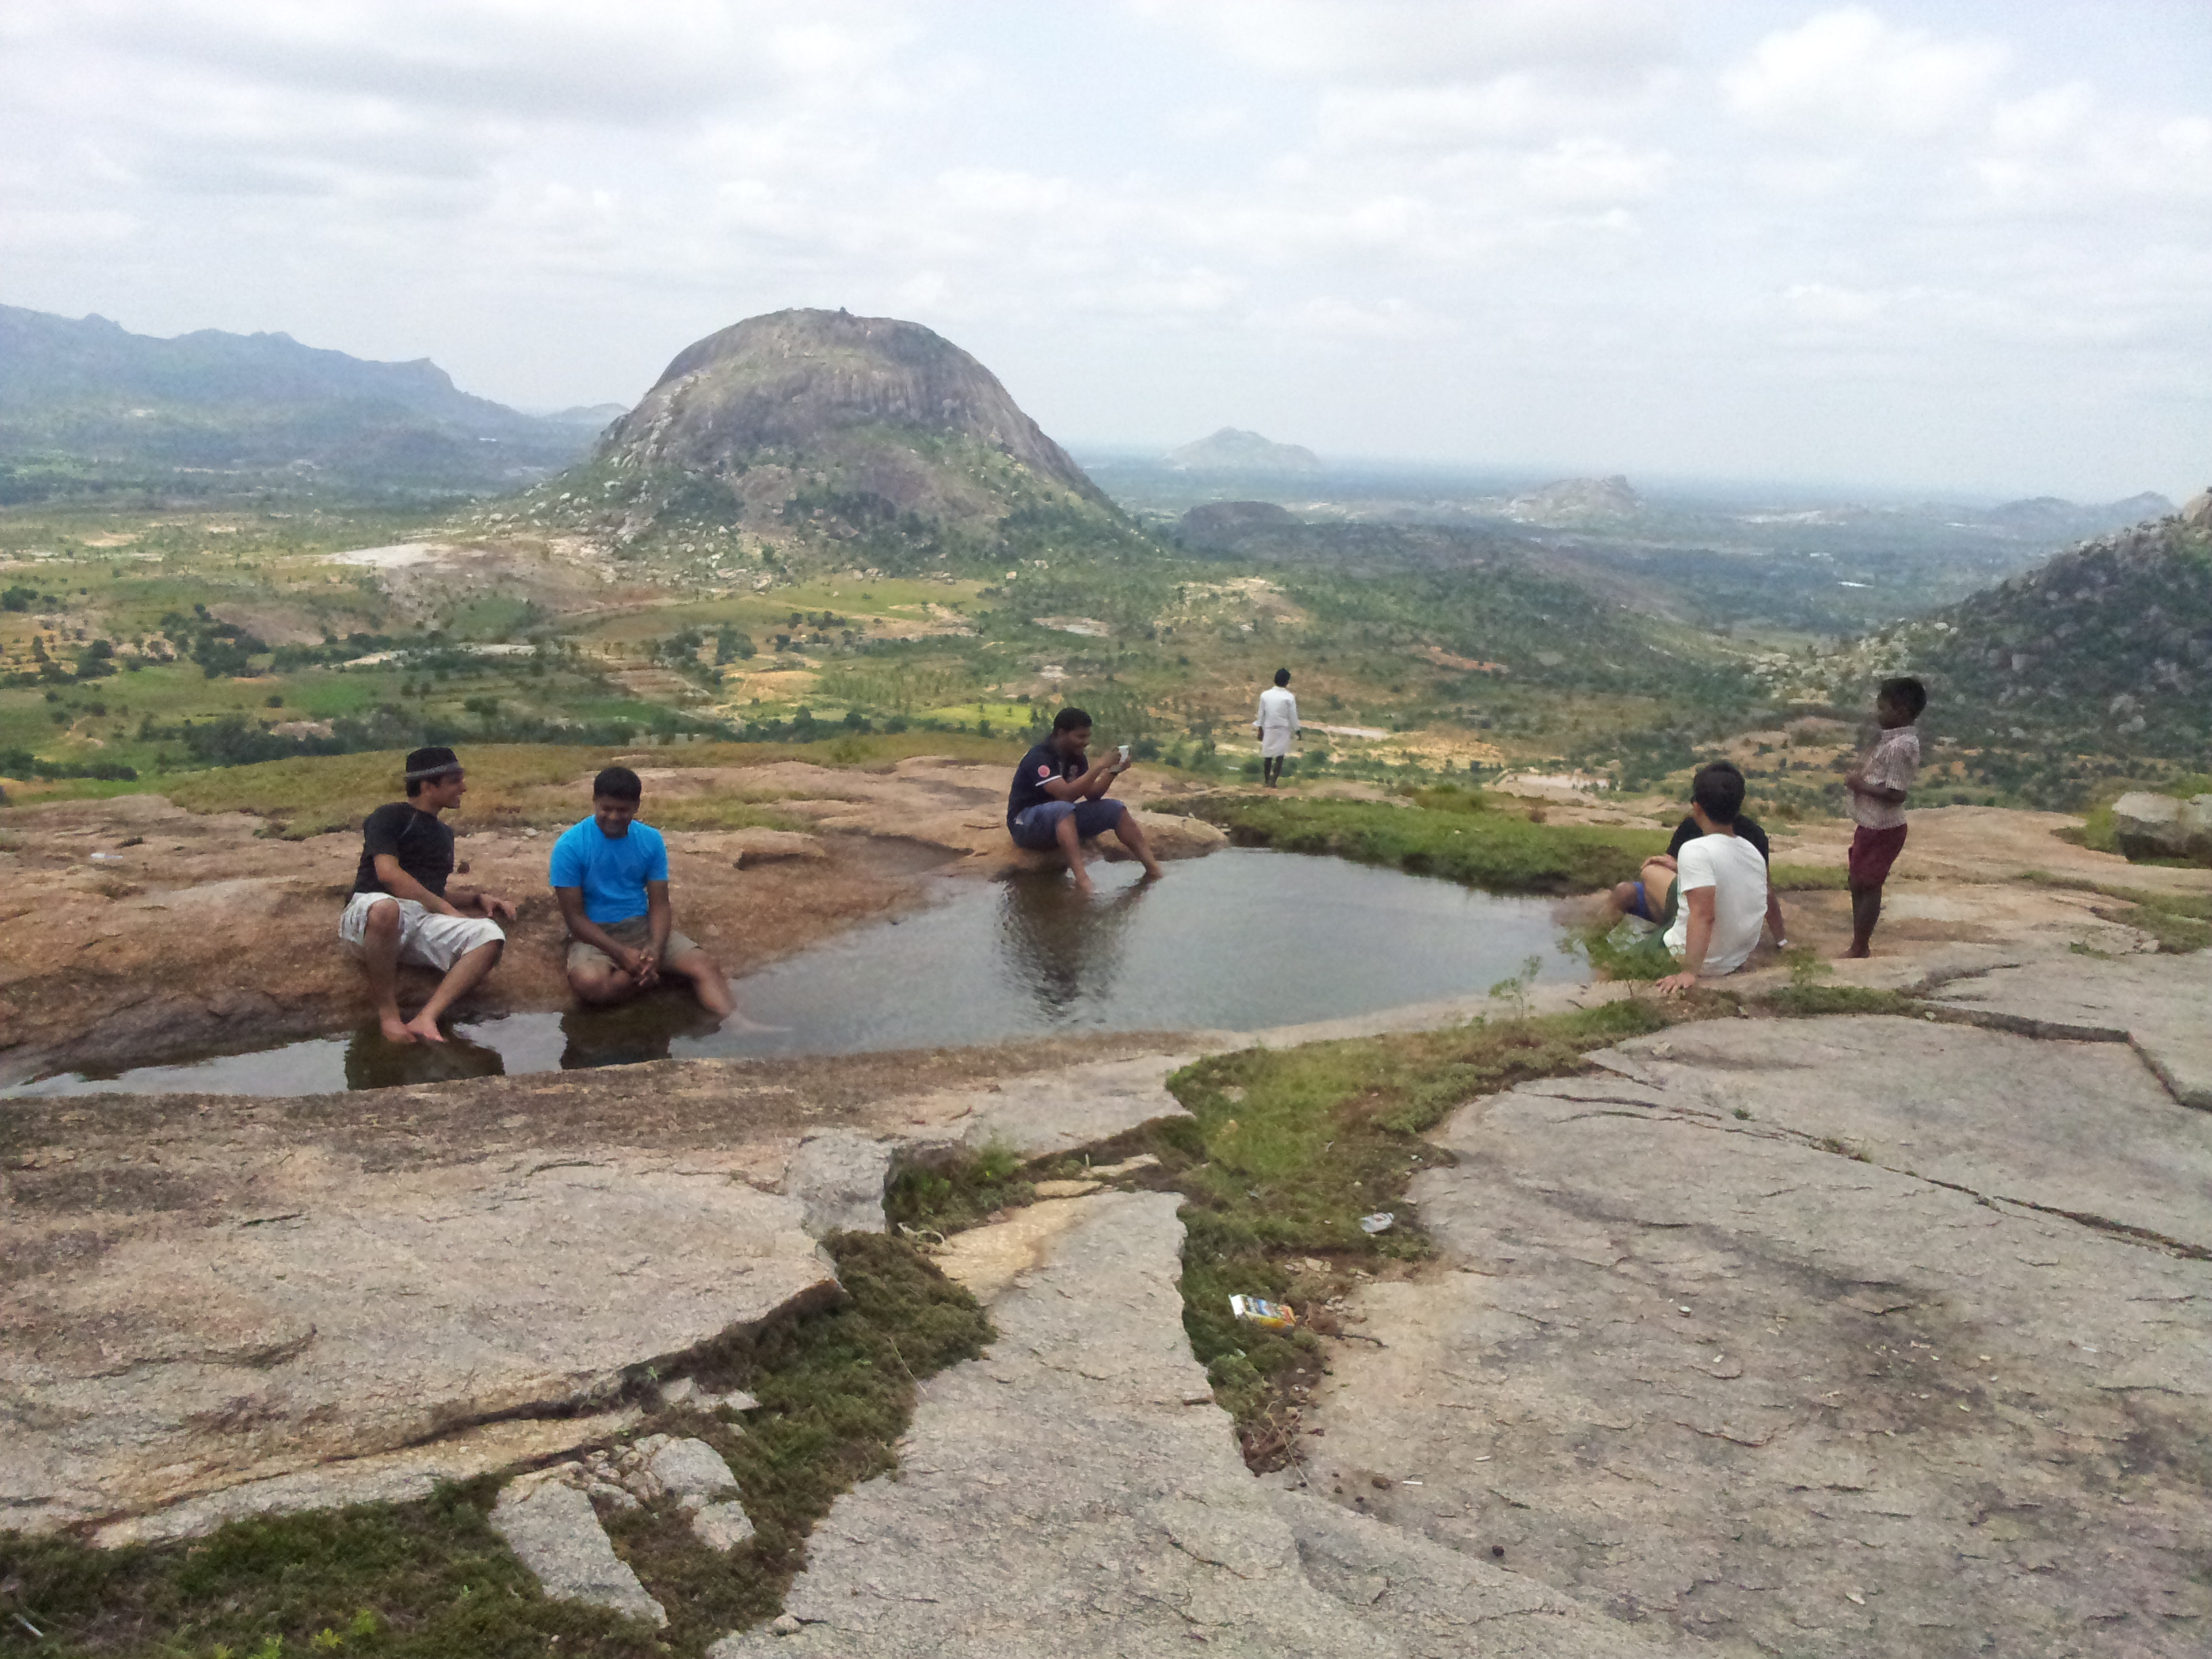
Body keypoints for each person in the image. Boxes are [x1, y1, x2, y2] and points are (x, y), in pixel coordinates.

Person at [338, 745, 515, 1044]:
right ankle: (389, 1016)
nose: (464, 787)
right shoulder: (389, 816)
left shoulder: (444, 833)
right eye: (455, 780)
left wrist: (475, 899)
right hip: (370, 914)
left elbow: (429, 890)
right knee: (386, 909)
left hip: (418, 920)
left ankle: (427, 1017)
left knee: (489, 935)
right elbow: (389, 875)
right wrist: (447, 910)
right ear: (427, 786)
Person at [550, 766, 736, 1019]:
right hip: (596, 934)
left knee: (705, 965)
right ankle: (649, 976)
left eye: (623, 810)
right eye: (606, 808)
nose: (614, 816)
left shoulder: (651, 840)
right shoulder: (570, 846)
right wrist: (622, 954)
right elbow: (575, 919)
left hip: (641, 925)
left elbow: (660, 904)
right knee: (591, 984)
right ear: (595, 802)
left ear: (636, 806)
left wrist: (656, 950)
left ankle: (737, 1024)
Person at [1006, 707, 1162, 896]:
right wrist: (1098, 767)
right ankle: (1083, 880)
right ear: (1062, 733)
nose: (1085, 743)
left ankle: (1154, 870)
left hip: (1062, 820)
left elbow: (1093, 795)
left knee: (1116, 809)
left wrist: (1113, 771)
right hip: (1025, 823)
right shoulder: (1039, 757)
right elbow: (1065, 795)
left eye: (1087, 737)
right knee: (1063, 809)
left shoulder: (1076, 758)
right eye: (1080, 737)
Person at [1647, 760, 1771, 996]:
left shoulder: (1696, 849)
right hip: (1734, 959)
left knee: (1614, 960)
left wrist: (1689, 972)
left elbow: (1704, 915)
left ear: (1697, 807)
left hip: (1699, 961)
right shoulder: (1751, 852)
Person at [1610, 802, 1789, 952]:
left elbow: (1764, 889)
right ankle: (1592, 945)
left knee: (1650, 873)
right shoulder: (1692, 827)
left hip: (1706, 909)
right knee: (1625, 891)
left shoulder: (1751, 836)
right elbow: (1766, 890)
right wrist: (1781, 940)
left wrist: (1781, 939)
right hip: (1683, 898)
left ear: (1698, 806)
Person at [1843, 676, 1926, 959]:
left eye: (1883, 707)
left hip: (1883, 826)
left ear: (1901, 710)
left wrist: (1859, 786)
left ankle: (1860, 946)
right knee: (1858, 880)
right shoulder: (1891, 740)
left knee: (1868, 882)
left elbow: (1896, 793)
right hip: (1870, 823)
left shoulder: (1901, 746)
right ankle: (1858, 941)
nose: (1878, 713)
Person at [1253, 668, 1300, 787]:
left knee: (1267, 755)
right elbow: (1293, 716)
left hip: (1268, 727)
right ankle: (1274, 781)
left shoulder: (1265, 695)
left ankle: (1266, 780)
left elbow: (1261, 713)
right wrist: (1297, 729)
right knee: (1280, 756)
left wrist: (1260, 728)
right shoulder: (1289, 697)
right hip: (1283, 729)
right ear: (1287, 682)